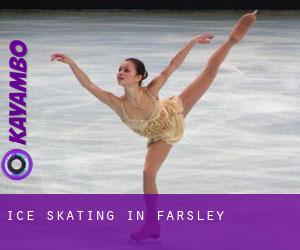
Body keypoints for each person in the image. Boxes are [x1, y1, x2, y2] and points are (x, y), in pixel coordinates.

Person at [51, 11, 257, 240]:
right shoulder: (116, 103)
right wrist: (71, 63)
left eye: (126, 70)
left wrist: (192, 42)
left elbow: (173, 65)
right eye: (119, 69)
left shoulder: (151, 90)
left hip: (175, 112)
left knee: (208, 72)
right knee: (148, 174)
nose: (120, 73)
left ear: (138, 77)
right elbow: (88, 85)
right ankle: (152, 222)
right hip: (161, 137)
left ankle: (232, 39)